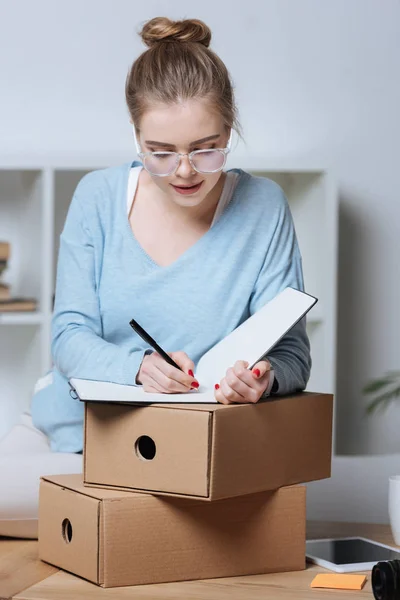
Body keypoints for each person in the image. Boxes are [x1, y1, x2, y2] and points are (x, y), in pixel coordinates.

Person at [0, 16, 311, 538]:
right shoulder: (98, 198)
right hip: (76, 433)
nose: (185, 171)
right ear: (135, 136)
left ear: (230, 129)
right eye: (160, 153)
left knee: (197, 522)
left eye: (206, 148)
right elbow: (68, 338)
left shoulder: (263, 207)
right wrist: (139, 369)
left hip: (195, 445)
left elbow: (293, 356)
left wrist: (261, 378)